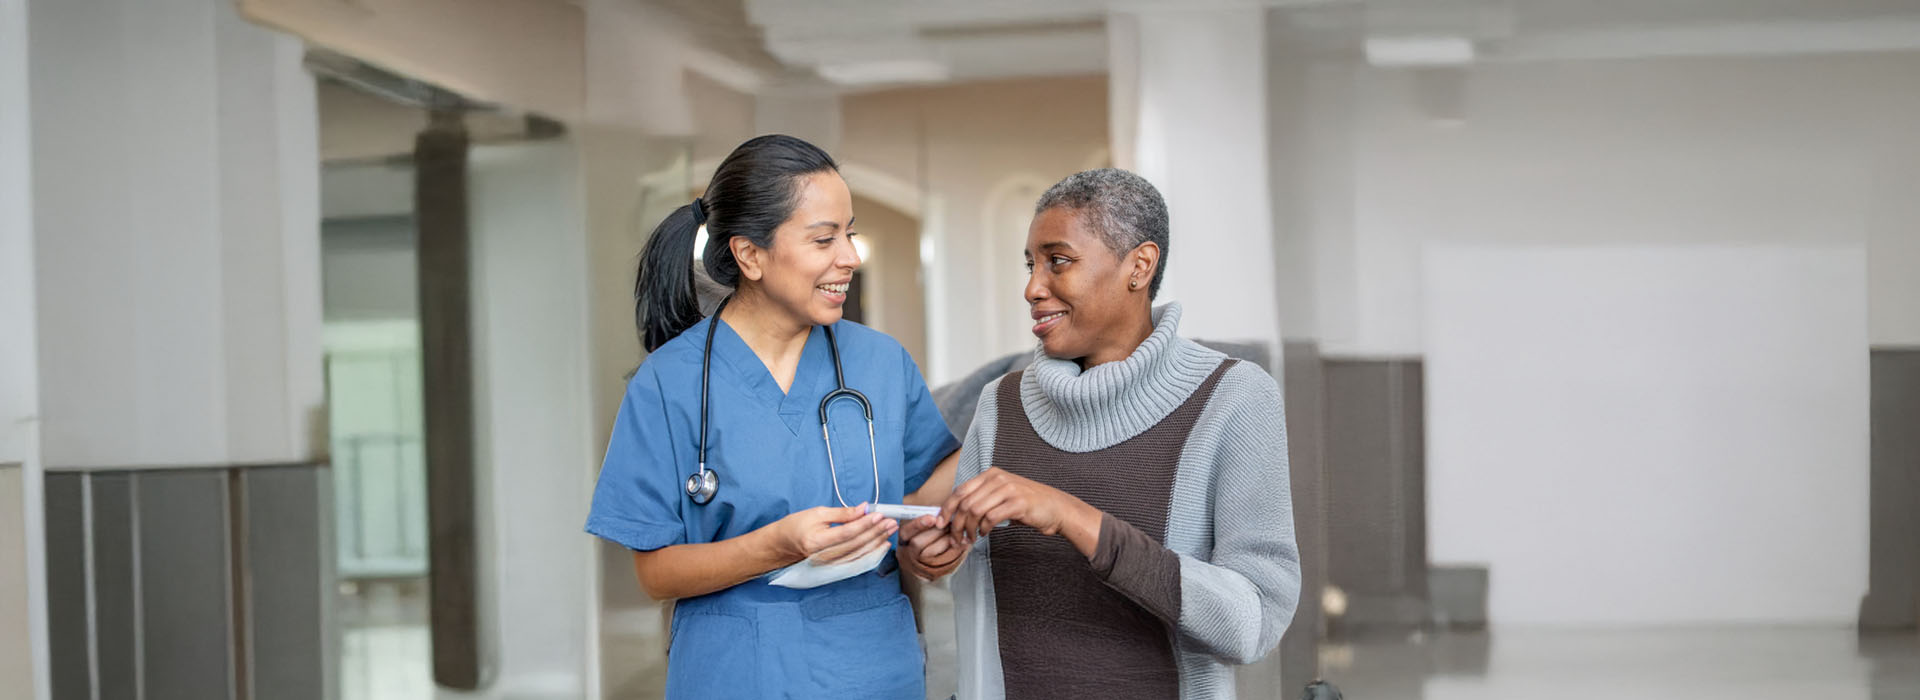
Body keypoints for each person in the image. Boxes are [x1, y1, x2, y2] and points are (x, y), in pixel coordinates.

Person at [899, 169, 1300, 699]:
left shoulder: (1233, 397)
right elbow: (978, 580)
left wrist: (1073, 517)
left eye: (1058, 261)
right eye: (1031, 264)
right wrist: (935, 557)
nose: (1033, 288)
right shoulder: (999, 403)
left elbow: (1254, 624)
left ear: (1139, 266)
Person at [586, 134, 960, 699]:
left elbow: (924, 490)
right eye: (824, 239)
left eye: (850, 234)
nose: (850, 257)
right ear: (750, 255)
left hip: (870, 668)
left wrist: (930, 538)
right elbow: (655, 574)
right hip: (733, 672)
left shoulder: (881, 363)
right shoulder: (670, 382)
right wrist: (779, 545)